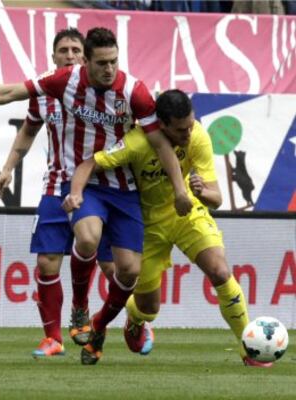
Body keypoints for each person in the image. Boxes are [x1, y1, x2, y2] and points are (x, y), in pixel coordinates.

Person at [0, 27, 192, 365]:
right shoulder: (59, 84)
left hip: (122, 186)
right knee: (79, 242)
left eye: (114, 62)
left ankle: (100, 325)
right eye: (101, 63)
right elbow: (10, 93)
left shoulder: (134, 91)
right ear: (85, 61)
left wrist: (179, 190)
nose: (109, 69)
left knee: (126, 270)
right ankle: (68, 319)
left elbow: (160, 143)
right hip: (72, 180)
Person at [63, 89, 272, 367]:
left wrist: (200, 192)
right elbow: (91, 163)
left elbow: (217, 199)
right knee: (149, 308)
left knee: (220, 270)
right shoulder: (136, 143)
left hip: (187, 215)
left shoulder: (197, 135)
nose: (188, 133)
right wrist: (76, 193)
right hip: (149, 226)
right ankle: (135, 320)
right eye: (181, 128)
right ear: (161, 124)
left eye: (191, 124)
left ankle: (249, 350)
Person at [0, 28, 114, 358]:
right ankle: (53, 338)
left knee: (118, 268)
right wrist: (7, 168)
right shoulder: (43, 91)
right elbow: (29, 131)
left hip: (100, 187)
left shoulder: (99, 89)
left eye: (75, 50)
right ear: (53, 56)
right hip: (56, 185)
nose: (69, 55)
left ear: (85, 57)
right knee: (47, 262)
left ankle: (97, 311)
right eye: (64, 50)